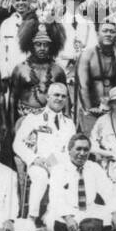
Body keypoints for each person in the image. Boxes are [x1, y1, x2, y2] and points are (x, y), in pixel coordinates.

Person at [13, 83, 77, 221]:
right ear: (48, 97)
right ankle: (32, 217)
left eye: (63, 96)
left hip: (61, 163)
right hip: (38, 163)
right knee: (40, 176)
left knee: (61, 175)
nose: (59, 99)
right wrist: (33, 159)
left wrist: (57, 162)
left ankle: (55, 215)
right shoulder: (34, 118)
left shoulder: (69, 123)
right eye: (56, 95)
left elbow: (70, 149)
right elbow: (17, 144)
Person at [44, 133, 116, 231]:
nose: (82, 153)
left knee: (113, 215)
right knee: (54, 221)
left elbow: (109, 192)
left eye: (86, 150)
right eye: (78, 149)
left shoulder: (94, 167)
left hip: (89, 209)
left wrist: (115, 213)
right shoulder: (59, 170)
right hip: (67, 211)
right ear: (69, 150)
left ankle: (87, 227)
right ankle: (88, 227)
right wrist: (68, 218)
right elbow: (57, 198)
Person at [77, 19, 116, 133]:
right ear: (97, 34)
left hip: (113, 109)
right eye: (105, 31)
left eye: (112, 31)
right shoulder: (87, 55)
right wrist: (89, 109)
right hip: (91, 108)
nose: (108, 34)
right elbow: (83, 86)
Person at [0, 0, 34, 79]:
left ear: (29, 2)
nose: (21, 3)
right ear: (13, 3)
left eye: (24, 0)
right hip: (11, 71)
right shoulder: (6, 23)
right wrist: (3, 73)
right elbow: (2, 50)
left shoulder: (36, 22)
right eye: (18, 0)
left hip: (31, 72)